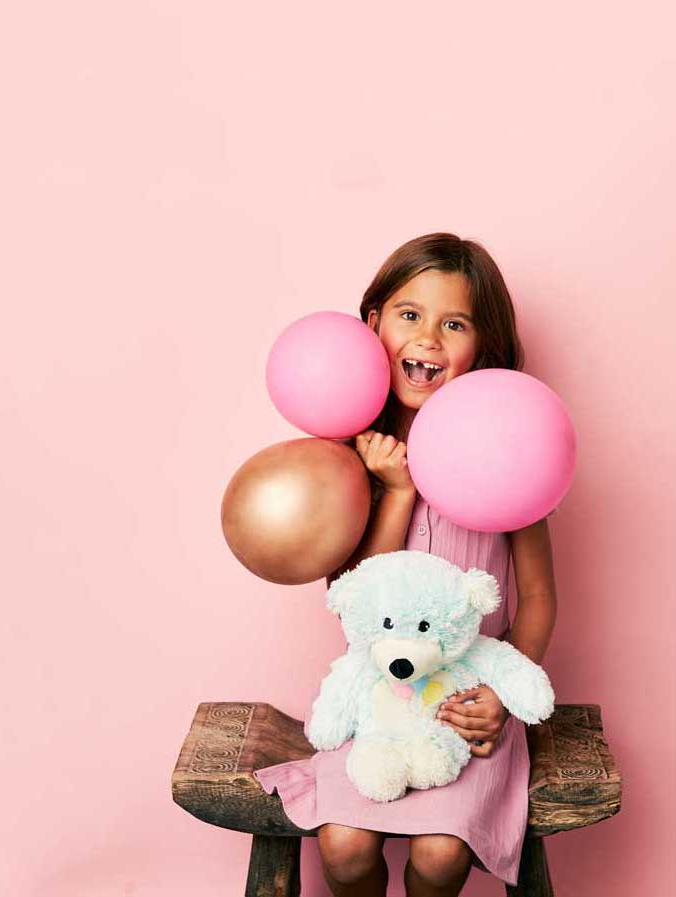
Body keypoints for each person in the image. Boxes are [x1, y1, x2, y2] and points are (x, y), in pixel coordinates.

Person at [254, 233, 559, 897]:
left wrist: (501, 696)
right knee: (341, 843)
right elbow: (350, 598)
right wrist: (393, 489)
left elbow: (535, 593)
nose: (427, 338)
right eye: (409, 314)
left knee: (440, 854)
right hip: (377, 698)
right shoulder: (349, 456)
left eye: (453, 323)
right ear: (371, 325)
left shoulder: (507, 443)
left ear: (483, 346)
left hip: (464, 701)